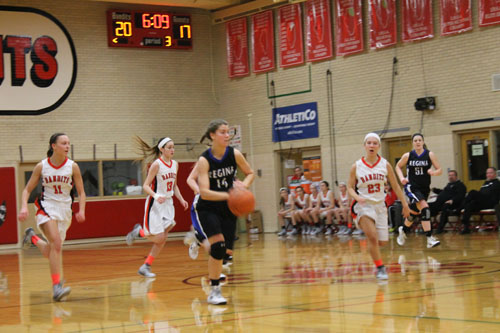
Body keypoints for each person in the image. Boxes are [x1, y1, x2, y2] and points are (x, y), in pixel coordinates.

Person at [18, 133, 86, 301]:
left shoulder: (73, 166)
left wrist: (82, 210)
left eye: (69, 143)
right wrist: (24, 206)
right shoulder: (42, 166)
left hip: (65, 210)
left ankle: (32, 237)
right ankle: (57, 287)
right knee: (56, 243)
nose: (67, 146)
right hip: (46, 206)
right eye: (63, 143)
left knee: (53, 250)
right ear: (53, 146)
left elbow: (82, 192)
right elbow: (27, 189)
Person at [193, 119, 254, 305]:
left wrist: (243, 185)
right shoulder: (204, 160)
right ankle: (214, 291)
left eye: (228, 132)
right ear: (212, 135)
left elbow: (250, 172)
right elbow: (204, 192)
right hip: (208, 208)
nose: (227, 135)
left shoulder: (234, 154)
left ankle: (200, 240)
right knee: (218, 247)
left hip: (228, 209)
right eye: (223, 132)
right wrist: (229, 195)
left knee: (226, 252)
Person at [348, 133, 410, 280]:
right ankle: (380, 268)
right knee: (372, 237)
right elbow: (350, 187)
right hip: (363, 206)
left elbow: (396, 186)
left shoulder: (385, 165)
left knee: (381, 242)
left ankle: (372, 250)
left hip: (380, 206)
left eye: (374, 143)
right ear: (364, 146)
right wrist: (357, 197)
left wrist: (405, 205)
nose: (371, 145)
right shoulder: (356, 166)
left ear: (379, 146)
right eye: (368, 143)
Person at [126, 137, 188, 278]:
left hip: (168, 204)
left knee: (163, 237)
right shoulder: (156, 165)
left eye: (173, 147)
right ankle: (139, 232)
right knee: (159, 237)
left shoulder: (175, 165)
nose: (172, 150)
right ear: (162, 149)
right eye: (169, 147)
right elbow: (145, 186)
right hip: (155, 204)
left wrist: (181, 199)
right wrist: (155, 196)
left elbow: (175, 185)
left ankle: (146, 265)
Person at [395, 133, 442, 248]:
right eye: (415, 140)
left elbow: (439, 169)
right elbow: (397, 166)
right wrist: (401, 178)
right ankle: (429, 238)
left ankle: (403, 229)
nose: (417, 142)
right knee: (425, 208)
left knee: (415, 212)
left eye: (419, 140)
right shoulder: (408, 155)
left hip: (425, 188)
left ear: (423, 142)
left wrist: (434, 172)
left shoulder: (429, 154)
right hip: (412, 187)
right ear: (413, 143)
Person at [460, 167, 500, 234]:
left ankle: (460, 207)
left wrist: (478, 196)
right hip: (482, 202)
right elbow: (481, 192)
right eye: (487, 173)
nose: (488, 174)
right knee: (469, 205)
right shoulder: (485, 183)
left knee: (472, 192)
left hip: (490, 202)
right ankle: (466, 227)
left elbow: (490, 195)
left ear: (495, 174)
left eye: (490, 173)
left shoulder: (497, 183)